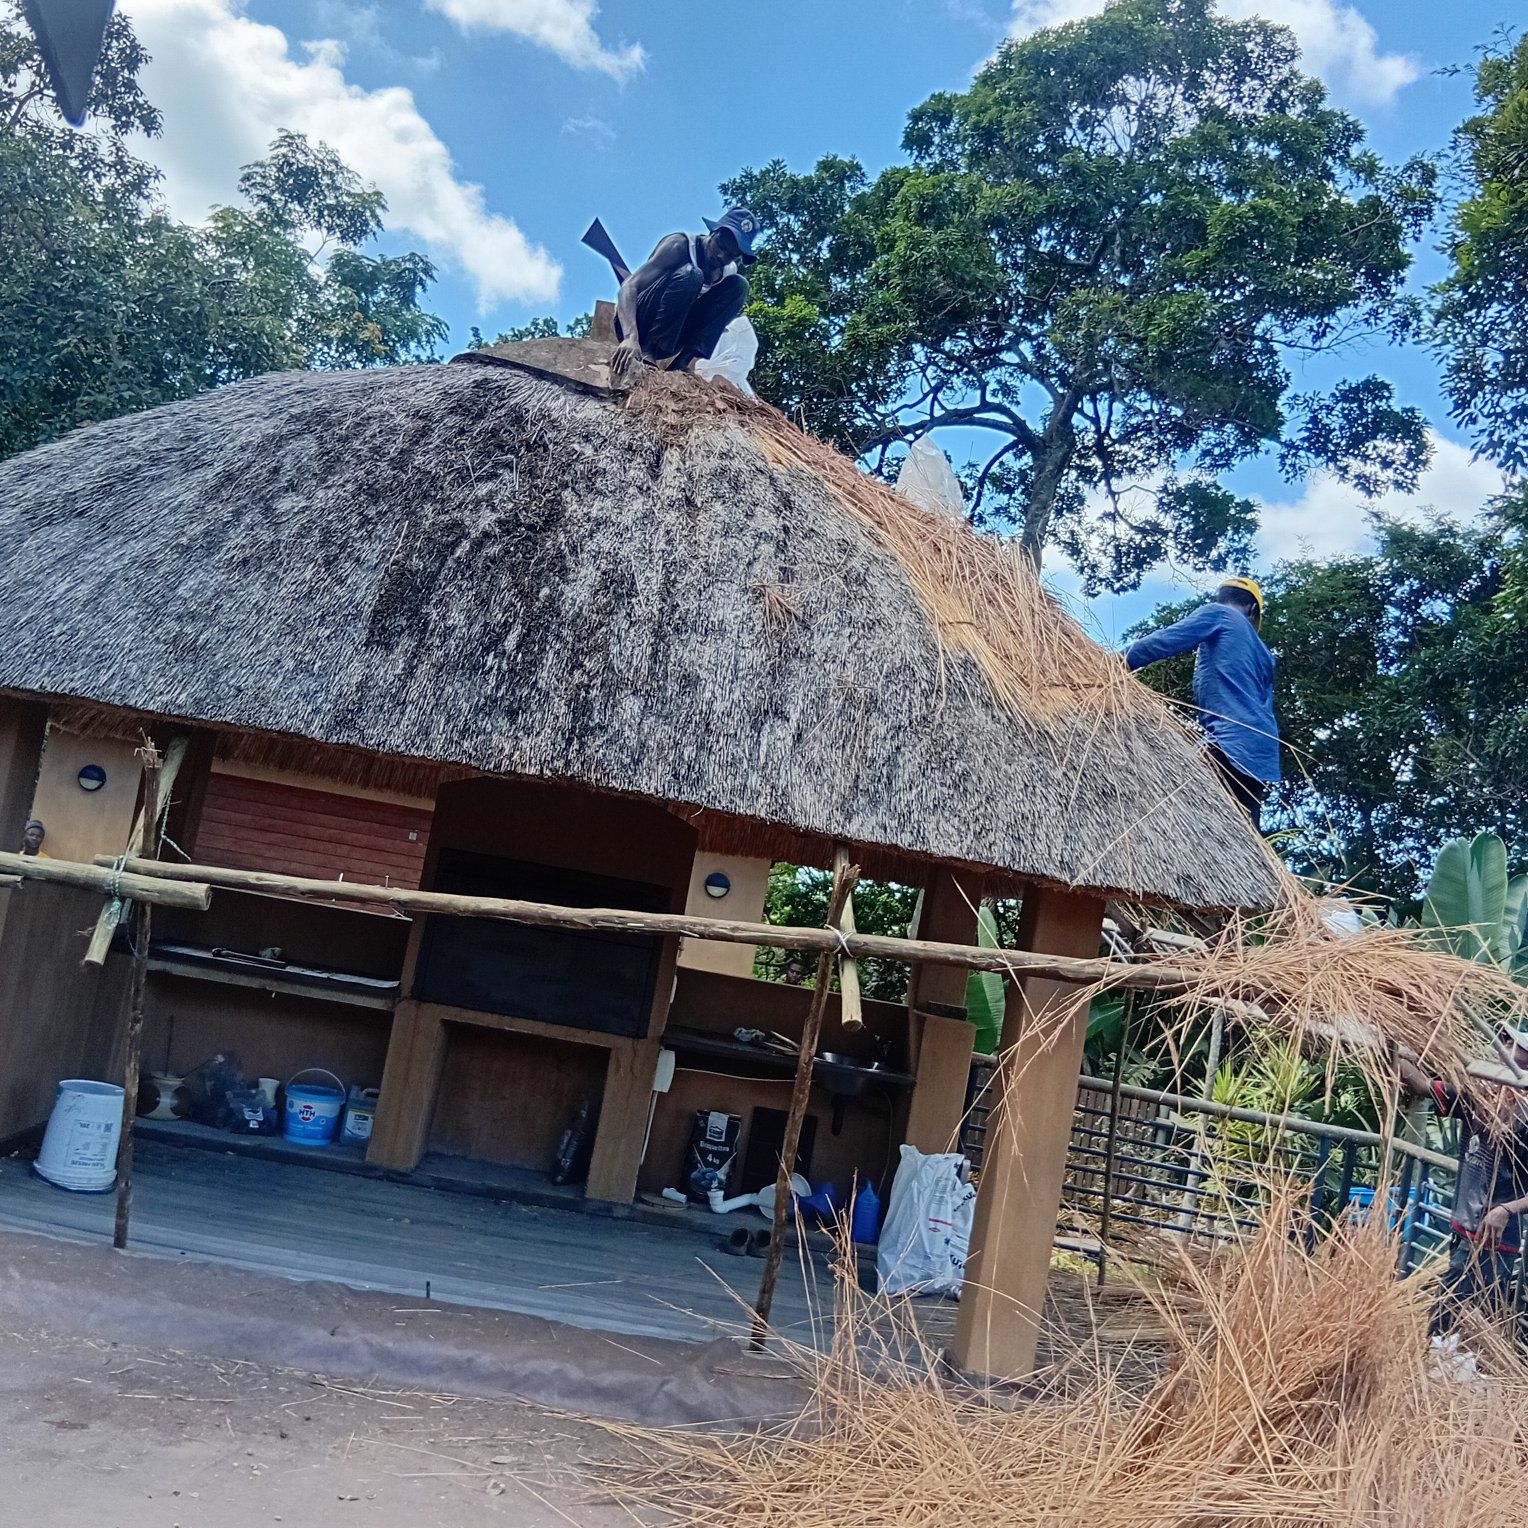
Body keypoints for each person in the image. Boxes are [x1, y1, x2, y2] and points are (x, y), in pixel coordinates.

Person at [1398, 1035, 1528, 1336]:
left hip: (1494, 1237)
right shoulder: (1477, 1098)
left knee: (1456, 1314)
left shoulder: (1524, 1122)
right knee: (1455, 1311)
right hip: (1464, 1225)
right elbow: (1422, 1085)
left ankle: (1446, 1357)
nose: (1502, 1049)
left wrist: (1506, 1210)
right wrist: (1397, 1050)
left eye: (1511, 1047)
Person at [1123, 577, 1279, 824]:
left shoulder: (1219, 614)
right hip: (1261, 750)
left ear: (1221, 598)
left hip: (1229, 741)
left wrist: (1112, 662)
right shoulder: (1266, 655)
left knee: (1172, 809)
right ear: (1252, 610)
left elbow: (1164, 641)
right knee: (1244, 826)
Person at [610, 206, 759, 383]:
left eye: (730, 255)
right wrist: (630, 337)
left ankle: (682, 362)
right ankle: (648, 350)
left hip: (673, 339)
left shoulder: (727, 271)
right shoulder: (679, 245)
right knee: (692, 275)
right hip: (638, 323)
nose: (721, 255)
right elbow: (629, 287)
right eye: (720, 246)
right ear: (713, 233)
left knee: (739, 286)